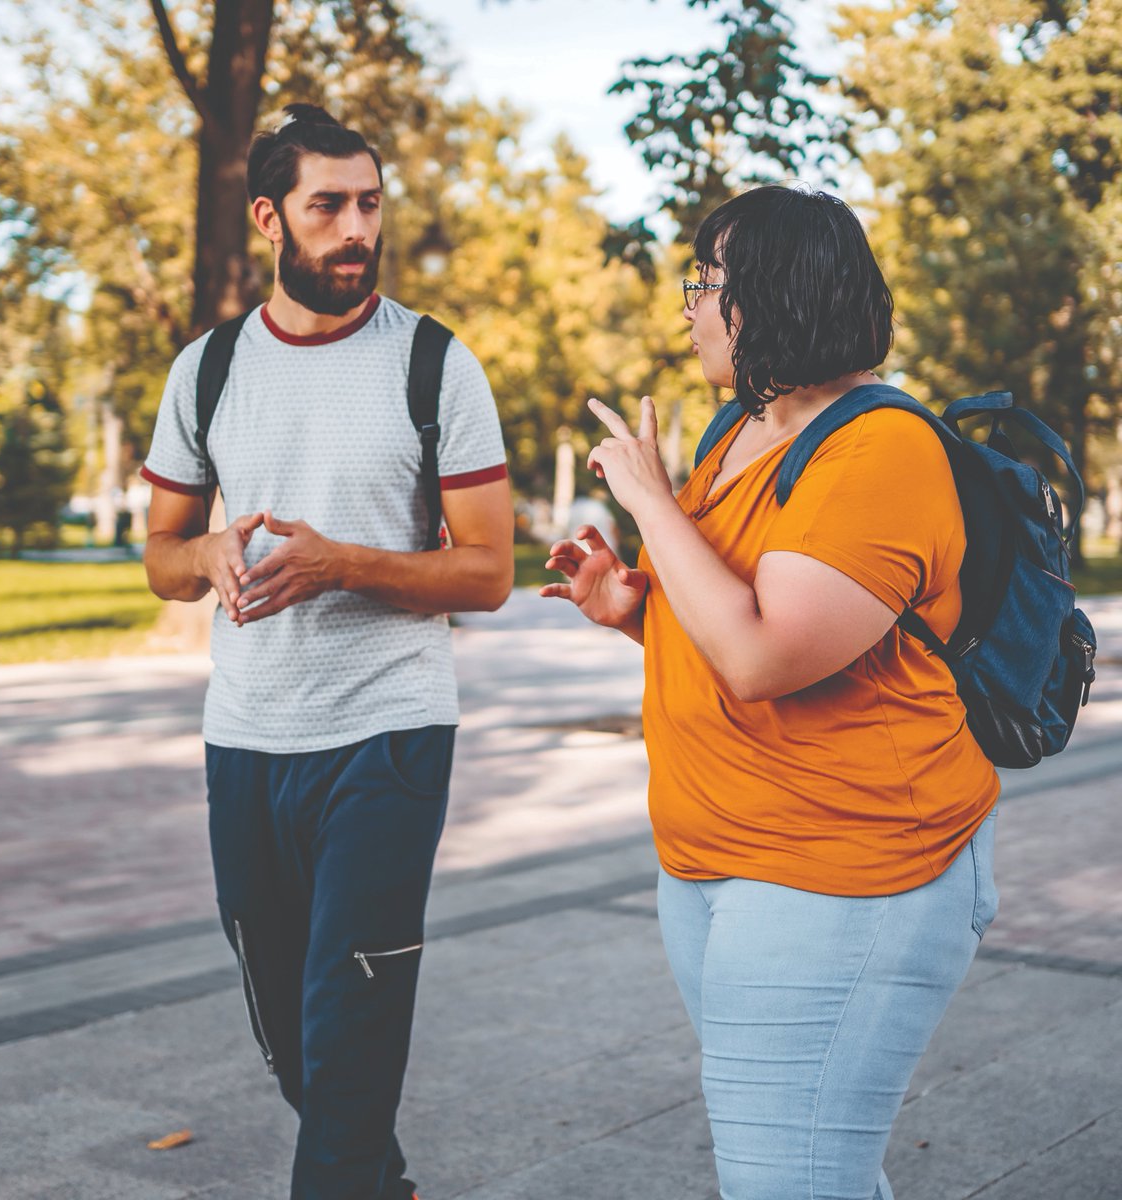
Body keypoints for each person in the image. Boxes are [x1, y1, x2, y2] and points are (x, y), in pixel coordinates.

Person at [541, 185, 999, 1200]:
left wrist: (651, 504)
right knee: (810, 1173)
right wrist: (631, 608)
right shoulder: (733, 434)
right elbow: (715, 622)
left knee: (788, 1183)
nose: (690, 308)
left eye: (706, 284)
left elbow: (761, 655)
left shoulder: (879, 448)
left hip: (848, 867)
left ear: (775, 296)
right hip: (716, 861)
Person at [141, 104, 513, 1200]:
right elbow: (161, 557)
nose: (358, 228)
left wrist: (341, 563)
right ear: (270, 218)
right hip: (247, 739)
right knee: (294, 1041)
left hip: (388, 738)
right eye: (329, 206)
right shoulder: (204, 372)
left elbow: (489, 571)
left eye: (370, 203)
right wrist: (205, 550)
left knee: (349, 1027)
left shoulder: (437, 365)